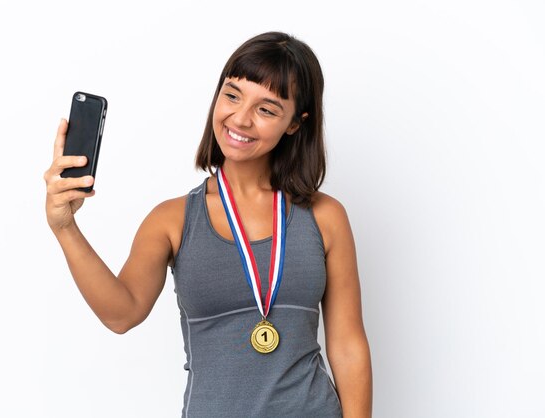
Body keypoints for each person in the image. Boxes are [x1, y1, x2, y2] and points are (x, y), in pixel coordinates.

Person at [44, 31, 372, 418]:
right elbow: (121, 313)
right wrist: (65, 227)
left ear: (295, 124)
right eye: (232, 95)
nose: (241, 118)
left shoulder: (325, 216)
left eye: (266, 109)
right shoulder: (172, 220)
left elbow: (348, 346)